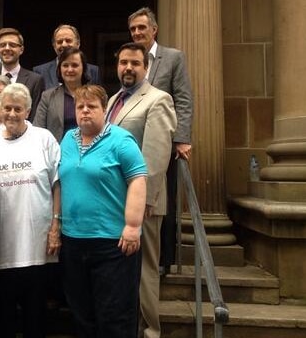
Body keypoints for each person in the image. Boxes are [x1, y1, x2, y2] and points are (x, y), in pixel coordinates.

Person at [59, 84, 147, 338]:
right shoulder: (67, 139)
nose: (85, 111)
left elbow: (138, 180)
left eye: (91, 106)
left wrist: (132, 226)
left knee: (114, 316)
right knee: (81, 315)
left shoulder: (121, 140)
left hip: (112, 244)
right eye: (80, 106)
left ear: (104, 109)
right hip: (74, 242)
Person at [0, 83, 61, 338]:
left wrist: (56, 226)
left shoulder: (43, 138)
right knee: (3, 317)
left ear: (29, 110)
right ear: (0, 109)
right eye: (8, 108)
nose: (12, 113)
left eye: (18, 109)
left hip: (37, 243)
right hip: (0, 245)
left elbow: (58, 184)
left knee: (36, 315)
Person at [107, 42, 177, 338]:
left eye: (135, 63)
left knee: (145, 269)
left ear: (145, 67)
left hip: (144, 203)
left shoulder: (158, 99)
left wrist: (147, 199)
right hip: (114, 200)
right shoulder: (112, 100)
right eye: (123, 62)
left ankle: (150, 331)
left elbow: (156, 154)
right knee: (123, 270)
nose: (128, 68)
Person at [128, 6, 194, 279]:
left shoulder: (173, 57)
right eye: (133, 29)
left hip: (163, 143)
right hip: (135, 142)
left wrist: (181, 139)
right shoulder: (130, 59)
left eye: (142, 28)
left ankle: (165, 259)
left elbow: (183, 98)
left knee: (162, 200)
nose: (137, 33)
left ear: (154, 29)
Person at [0, 28, 45, 120]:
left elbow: (35, 116)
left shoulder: (35, 80)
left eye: (12, 45)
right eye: (3, 45)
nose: (7, 48)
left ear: (21, 49)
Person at [34, 47, 90, 142]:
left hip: (89, 151)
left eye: (75, 65)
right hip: (57, 153)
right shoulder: (48, 97)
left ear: (83, 68)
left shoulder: (94, 95)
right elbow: (37, 130)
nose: (70, 69)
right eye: (65, 65)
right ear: (59, 69)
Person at [33, 24, 100, 90]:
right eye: (59, 42)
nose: (64, 44)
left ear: (78, 44)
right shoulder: (40, 72)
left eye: (68, 40)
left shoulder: (93, 71)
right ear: (54, 46)